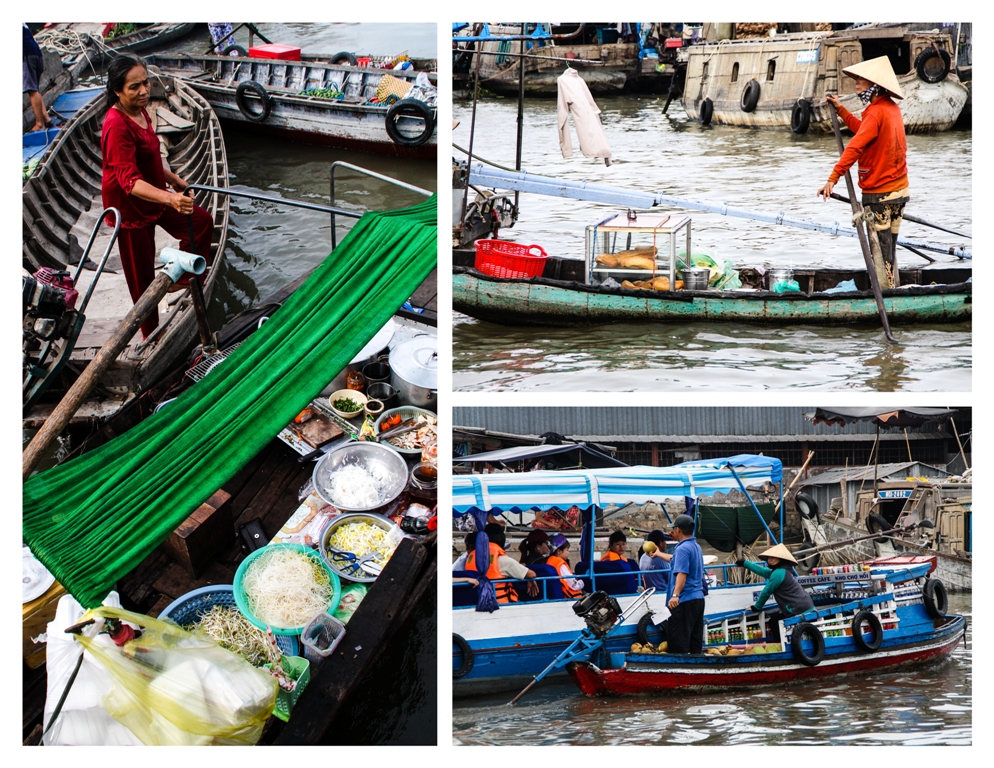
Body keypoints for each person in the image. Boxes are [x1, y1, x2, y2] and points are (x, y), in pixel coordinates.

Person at [100, 55, 213, 339]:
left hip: (155, 194)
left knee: (201, 223)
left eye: (145, 83)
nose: (143, 91)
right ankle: (151, 338)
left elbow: (150, 158)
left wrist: (173, 180)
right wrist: (171, 198)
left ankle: (183, 278)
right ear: (117, 90)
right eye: (134, 87)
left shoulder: (143, 111)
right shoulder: (116, 125)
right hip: (131, 208)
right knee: (142, 283)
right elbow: (129, 182)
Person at [817, 56, 908, 282]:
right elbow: (863, 132)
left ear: (875, 87)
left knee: (881, 252)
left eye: (862, 80)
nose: (857, 83)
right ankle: (891, 286)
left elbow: (855, 146)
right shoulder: (890, 108)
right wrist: (841, 110)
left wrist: (833, 178)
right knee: (890, 251)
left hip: (880, 194)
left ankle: (887, 295)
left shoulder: (876, 112)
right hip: (900, 191)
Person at [737, 543, 814, 636]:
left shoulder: (779, 573)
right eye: (769, 558)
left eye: (773, 558)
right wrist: (745, 563)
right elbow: (763, 571)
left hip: (799, 609)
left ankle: (782, 647)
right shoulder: (781, 571)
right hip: (804, 606)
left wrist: (756, 607)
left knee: (774, 622)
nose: (770, 560)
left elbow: (766, 591)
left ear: (781, 559)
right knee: (775, 621)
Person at [661, 514, 706, 654]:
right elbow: (675, 560)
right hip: (698, 599)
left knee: (678, 642)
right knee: (694, 641)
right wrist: (657, 554)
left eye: (674, 528)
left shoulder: (682, 549)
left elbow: (682, 573)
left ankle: (679, 672)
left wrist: (675, 595)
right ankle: (697, 671)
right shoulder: (695, 546)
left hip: (684, 600)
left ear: (678, 530)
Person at [464, 523, 535, 603]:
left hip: (476, 601)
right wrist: (532, 579)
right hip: (498, 603)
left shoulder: (470, 558)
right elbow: (531, 574)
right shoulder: (503, 560)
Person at [24, 23, 51, 132]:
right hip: (36, 53)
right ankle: (46, 118)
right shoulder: (24, 25)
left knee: (32, 90)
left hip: (26, 55)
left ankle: (39, 124)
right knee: (35, 89)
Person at [545, 533, 584, 598]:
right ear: (559, 551)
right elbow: (573, 585)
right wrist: (582, 583)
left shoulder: (549, 561)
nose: (568, 552)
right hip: (570, 597)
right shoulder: (560, 564)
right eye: (567, 550)